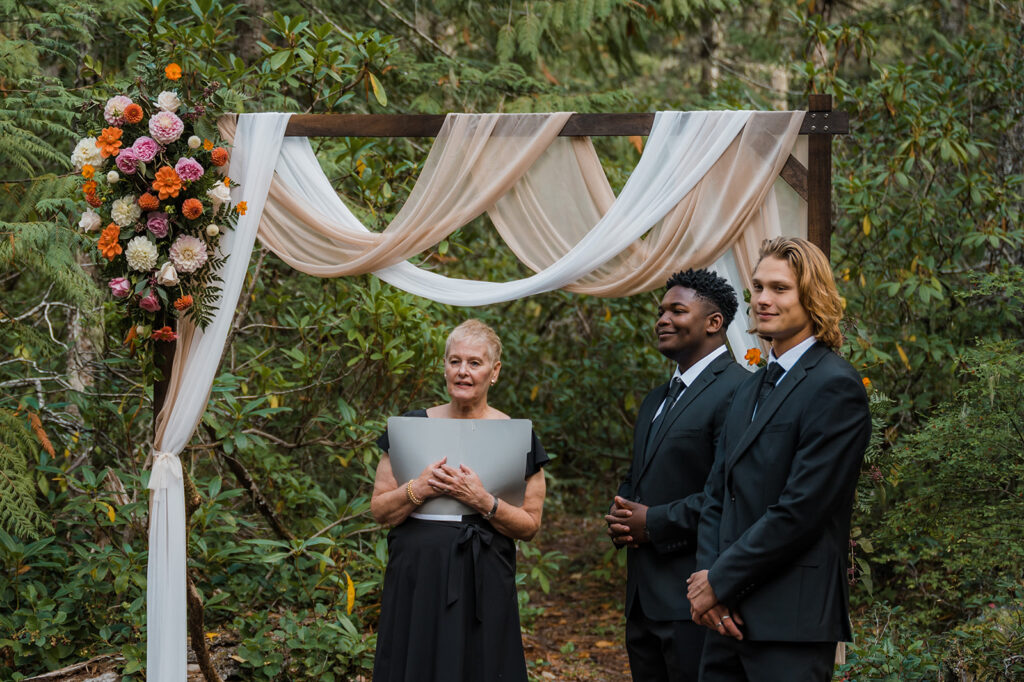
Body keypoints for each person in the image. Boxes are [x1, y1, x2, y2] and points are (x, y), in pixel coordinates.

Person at [686, 237, 871, 681]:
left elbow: (801, 510)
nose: (763, 299)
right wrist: (707, 580)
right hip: (724, 619)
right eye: (758, 287)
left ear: (813, 297)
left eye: (780, 289)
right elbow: (717, 493)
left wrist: (719, 581)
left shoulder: (835, 386)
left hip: (791, 619)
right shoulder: (748, 386)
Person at [370, 319, 548, 682]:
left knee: (480, 664)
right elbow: (379, 510)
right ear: (444, 367)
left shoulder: (518, 435)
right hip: (417, 575)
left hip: (483, 574)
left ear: (494, 372)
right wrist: (418, 488)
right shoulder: (409, 426)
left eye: (474, 362)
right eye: (455, 361)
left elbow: (530, 525)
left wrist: (484, 501)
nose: (462, 372)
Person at [605, 269, 749, 682]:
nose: (662, 319)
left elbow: (731, 493)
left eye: (677, 310)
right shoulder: (656, 399)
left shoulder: (741, 390)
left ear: (714, 322)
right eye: (660, 311)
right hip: (642, 598)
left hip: (697, 595)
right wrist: (620, 514)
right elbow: (639, 474)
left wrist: (652, 522)